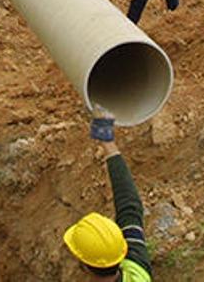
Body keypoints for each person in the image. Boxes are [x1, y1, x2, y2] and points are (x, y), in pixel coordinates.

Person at [63, 105, 152, 281]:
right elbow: (129, 206)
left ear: (83, 265)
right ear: (123, 250)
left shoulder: (138, 264)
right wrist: (108, 143)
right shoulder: (137, 273)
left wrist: (107, 141)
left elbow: (130, 207)